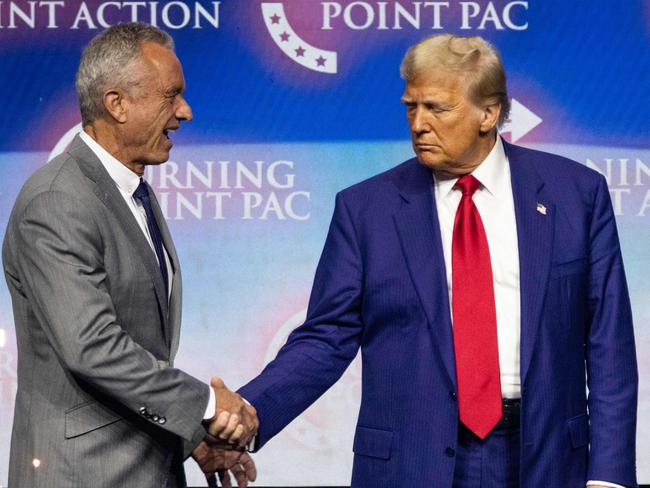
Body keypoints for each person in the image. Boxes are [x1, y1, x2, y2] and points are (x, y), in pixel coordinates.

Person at [235, 34, 638, 487]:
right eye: (411, 107)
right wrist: (248, 410)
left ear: (489, 113)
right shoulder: (366, 209)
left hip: (545, 459)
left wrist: (610, 475)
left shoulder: (575, 195)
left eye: (436, 108)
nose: (418, 124)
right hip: (412, 462)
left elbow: (610, 346)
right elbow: (326, 338)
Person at [3, 23, 257, 488]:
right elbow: (93, 348)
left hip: (146, 466)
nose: (185, 111)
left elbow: (141, 346)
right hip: (83, 475)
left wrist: (190, 436)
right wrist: (205, 405)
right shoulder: (58, 201)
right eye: (171, 95)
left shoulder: (131, 190)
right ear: (116, 104)